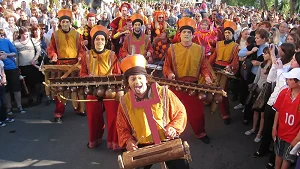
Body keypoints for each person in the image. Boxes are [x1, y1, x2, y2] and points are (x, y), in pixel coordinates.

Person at [116, 54, 190, 169]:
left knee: (182, 167)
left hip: (167, 140)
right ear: (128, 83)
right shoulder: (125, 101)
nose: (137, 82)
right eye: (133, 79)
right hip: (141, 145)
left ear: (146, 79)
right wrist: (129, 141)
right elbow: (121, 127)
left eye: (140, 78)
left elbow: (180, 112)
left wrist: (173, 128)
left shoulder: (164, 92)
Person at [163, 17, 213, 144]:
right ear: (180, 35)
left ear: (192, 35)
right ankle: (171, 134)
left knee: (198, 113)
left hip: (194, 87)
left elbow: (204, 67)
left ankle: (200, 133)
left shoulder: (199, 49)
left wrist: (207, 76)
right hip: (176, 85)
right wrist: (169, 74)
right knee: (173, 112)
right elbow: (167, 66)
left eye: (189, 33)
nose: (186, 34)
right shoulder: (172, 49)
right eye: (184, 32)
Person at [80, 25, 121, 150]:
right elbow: (82, 73)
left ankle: (114, 142)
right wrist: (88, 77)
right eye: (97, 39)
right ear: (93, 41)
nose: (100, 42)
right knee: (93, 116)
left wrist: (110, 77)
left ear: (106, 41)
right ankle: (95, 139)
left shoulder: (112, 55)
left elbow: (118, 73)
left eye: (102, 40)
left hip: (110, 90)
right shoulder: (86, 55)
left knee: (113, 116)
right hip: (92, 89)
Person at [47, 9, 85, 123]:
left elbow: (81, 49)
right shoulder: (55, 35)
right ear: (60, 23)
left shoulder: (78, 35)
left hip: (74, 64)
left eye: (66, 22)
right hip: (60, 64)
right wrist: (53, 55)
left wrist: (80, 57)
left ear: (70, 22)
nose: (65, 24)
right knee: (60, 89)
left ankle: (79, 108)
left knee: (77, 88)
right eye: (63, 22)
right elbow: (51, 48)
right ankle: (59, 111)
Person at [208, 20, 240, 124]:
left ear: (232, 34)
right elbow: (213, 57)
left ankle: (225, 114)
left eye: (229, 33)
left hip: (225, 72)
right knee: (210, 88)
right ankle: (210, 105)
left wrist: (230, 67)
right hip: (215, 70)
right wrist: (207, 66)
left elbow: (235, 61)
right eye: (225, 33)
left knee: (222, 93)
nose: (227, 35)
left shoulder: (236, 46)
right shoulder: (218, 44)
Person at [272, 68, 300, 169]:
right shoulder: (284, 92)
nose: (287, 81)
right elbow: (278, 111)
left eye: (290, 79)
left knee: (287, 158)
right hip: (281, 132)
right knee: (278, 154)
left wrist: (297, 138)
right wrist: (274, 127)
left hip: (293, 136)